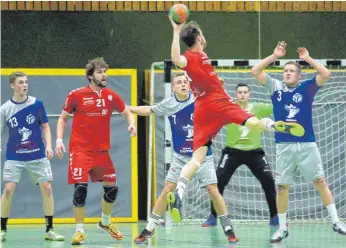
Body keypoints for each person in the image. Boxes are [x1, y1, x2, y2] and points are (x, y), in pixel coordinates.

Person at [165, 17, 305, 242]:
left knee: (198, 156)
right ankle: (273, 125)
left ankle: (179, 192)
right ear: (199, 37)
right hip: (217, 102)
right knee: (251, 120)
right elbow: (175, 58)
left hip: (201, 107)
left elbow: (188, 67)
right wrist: (177, 29)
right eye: (202, 34)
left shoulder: (198, 58)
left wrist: (178, 32)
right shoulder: (193, 56)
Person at [251, 41, 346, 243]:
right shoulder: (275, 88)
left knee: (320, 181)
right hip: (283, 146)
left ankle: (337, 221)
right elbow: (256, 70)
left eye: (291, 71)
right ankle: (283, 228)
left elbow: (326, 74)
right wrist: (274, 56)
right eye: (285, 70)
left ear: (299, 75)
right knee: (283, 188)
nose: (287, 73)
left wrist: (308, 59)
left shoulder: (306, 89)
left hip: (306, 145)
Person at [132, 73, 238, 243]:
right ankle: (149, 228)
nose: (182, 84)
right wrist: (127, 108)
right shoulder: (169, 104)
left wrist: (221, 86)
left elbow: (217, 99)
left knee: (213, 189)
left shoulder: (199, 99)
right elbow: (148, 110)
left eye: (185, 82)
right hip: (180, 156)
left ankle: (228, 228)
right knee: (167, 190)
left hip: (202, 154)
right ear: (173, 87)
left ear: (189, 85)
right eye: (178, 82)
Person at [55, 58, 136, 245]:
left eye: (105, 71)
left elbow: (127, 112)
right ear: (91, 75)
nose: (104, 75)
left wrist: (131, 124)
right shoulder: (76, 95)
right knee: (80, 190)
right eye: (100, 72)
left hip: (101, 152)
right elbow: (62, 119)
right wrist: (59, 140)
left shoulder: (110, 96)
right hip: (80, 150)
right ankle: (79, 231)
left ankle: (105, 222)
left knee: (112, 189)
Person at [202, 83, 278, 231]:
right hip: (233, 152)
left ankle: (275, 216)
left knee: (268, 180)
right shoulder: (229, 107)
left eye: (245, 92)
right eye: (240, 92)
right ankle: (213, 216)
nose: (242, 94)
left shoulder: (259, 107)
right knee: (217, 181)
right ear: (236, 94)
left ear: (249, 94)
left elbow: (278, 106)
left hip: (254, 152)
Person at [0, 72, 64, 242]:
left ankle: (50, 229)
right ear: (13, 85)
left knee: (47, 188)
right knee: (8, 189)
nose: (25, 85)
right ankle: (2, 229)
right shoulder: (5, 109)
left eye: (26, 82)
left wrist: (49, 146)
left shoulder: (37, 104)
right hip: (14, 155)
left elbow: (45, 127)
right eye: (20, 82)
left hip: (37, 154)